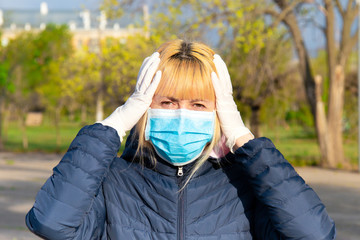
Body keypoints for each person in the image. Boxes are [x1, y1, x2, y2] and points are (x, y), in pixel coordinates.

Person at [25, 39, 336, 240]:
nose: (182, 115)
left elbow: (315, 235)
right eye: (168, 102)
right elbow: (52, 223)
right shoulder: (113, 180)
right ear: (144, 106)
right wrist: (112, 126)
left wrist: (244, 140)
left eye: (198, 104)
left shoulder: (243, 183)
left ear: (220, 112)